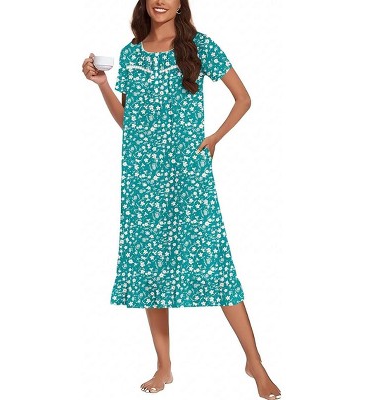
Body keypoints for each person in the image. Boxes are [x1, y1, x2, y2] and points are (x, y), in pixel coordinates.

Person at [82, 1, 281, 398]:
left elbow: (243, 98)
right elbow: (128, 123)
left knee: (215, 262)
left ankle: (255, 363)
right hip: (142, 175)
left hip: (188, 170)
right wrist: (103, 84)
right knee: (150, 264)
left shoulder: (199, 46)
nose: (160, 0)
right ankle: (164, 366)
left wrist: (214, 138)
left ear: (179, 4)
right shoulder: (130, 53)